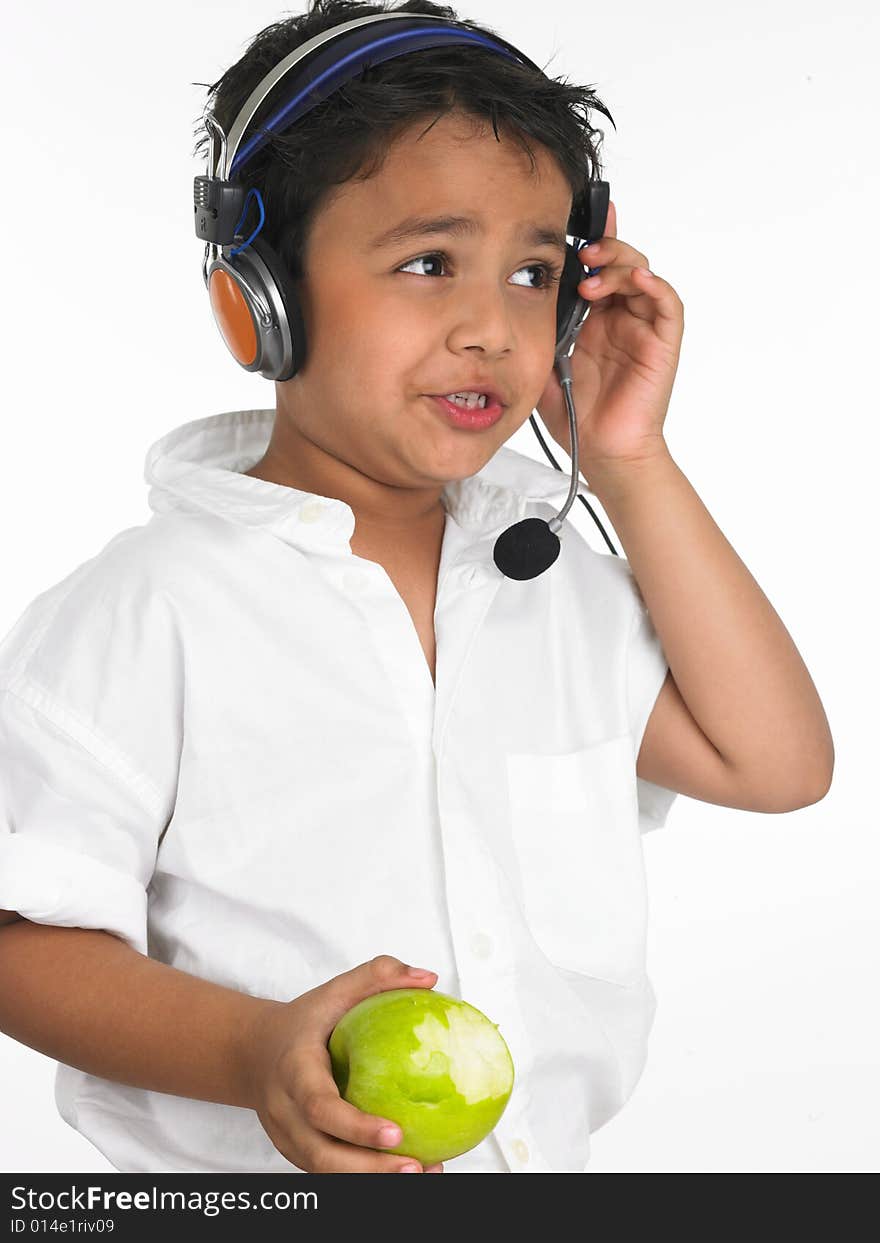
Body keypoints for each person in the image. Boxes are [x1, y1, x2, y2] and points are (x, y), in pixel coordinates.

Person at [0, 0, 834, 1175]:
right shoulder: (148, 611)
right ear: (259, 296)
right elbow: (23, 937)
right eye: (428, 263)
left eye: (536, 272)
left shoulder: (556, 591)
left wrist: (629, 456)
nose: (493, 327)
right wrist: (253, 1051)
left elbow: (779, 765)